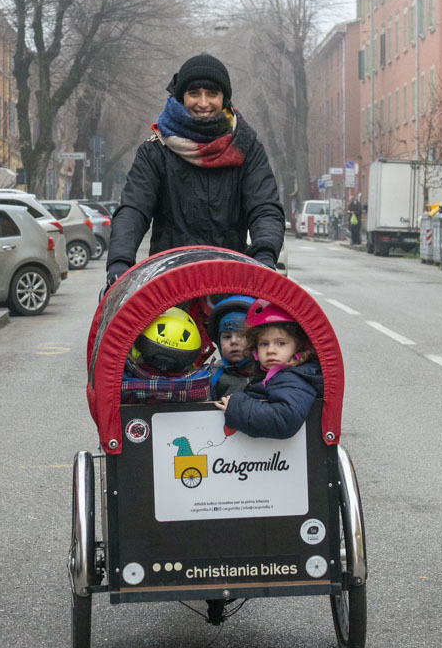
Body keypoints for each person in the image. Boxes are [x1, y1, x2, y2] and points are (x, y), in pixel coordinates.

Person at [104, 54, 285, 290]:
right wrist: (120, 262)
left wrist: (265, 256)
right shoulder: (155, 150)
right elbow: (134, 209)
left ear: (224, 98)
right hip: (168, 284)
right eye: (194, 93)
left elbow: (264, 207)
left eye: (212, 94)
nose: (203, 103)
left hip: (231, 282)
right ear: (181, 97)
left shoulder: (246, 149)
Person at [212, 300, 321, 440]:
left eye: (281, 343)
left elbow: (284, 419)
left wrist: (237, 407)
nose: (270, 350)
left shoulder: (294, 378)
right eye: (264, 344)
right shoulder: (274, 374)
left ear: (298, 346)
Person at [206, 295, 259, 399]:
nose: (234, 341)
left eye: (243, 335)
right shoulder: (212, 376)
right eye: (227, 337)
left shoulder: (268, 374)